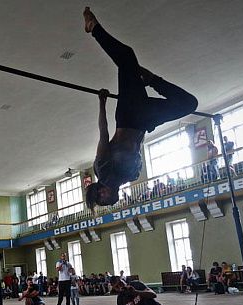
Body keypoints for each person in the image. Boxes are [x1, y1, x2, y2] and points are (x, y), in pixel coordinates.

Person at [83, 7, 198, 211]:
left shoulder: (103, 170)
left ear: (99, 188)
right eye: (104, 200)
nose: (105, 196)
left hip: (129, 116)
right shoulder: (130, 176)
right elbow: (137, 147)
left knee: (127, 57)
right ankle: (152, 79)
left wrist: (102, 102)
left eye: (100, 195)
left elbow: (103, 134)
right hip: (146, 122)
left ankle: (94, 29)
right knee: (189, 104)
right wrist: (148, 126)